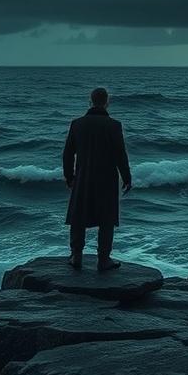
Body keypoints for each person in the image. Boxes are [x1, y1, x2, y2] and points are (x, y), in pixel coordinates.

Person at [62, 87, 132, 271]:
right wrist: (127, 177)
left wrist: (69, 176)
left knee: (79, 215)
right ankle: (103, 259)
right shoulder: (114, 125)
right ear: (107, 102)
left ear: (90, 101)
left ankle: (76, 255)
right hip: (107, 178)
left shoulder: (77, 124)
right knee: (106, 218)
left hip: (83, 176)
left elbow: (68, 153)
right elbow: (120, 155)